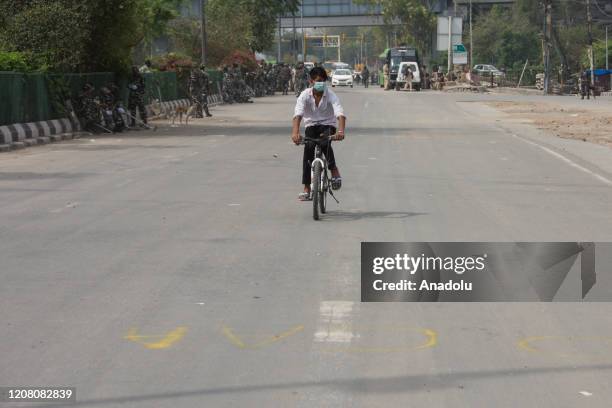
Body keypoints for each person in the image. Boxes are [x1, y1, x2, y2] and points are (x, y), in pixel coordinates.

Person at [291, 66, 346, 201]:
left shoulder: (331, 95)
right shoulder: (304, 95)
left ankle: (333, 170)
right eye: (317, 80)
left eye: (322, 81)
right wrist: (295, 133)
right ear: (311, 81)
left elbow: (340, 114)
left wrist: (340, 131)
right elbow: (298, 115)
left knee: (324, 142)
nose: (320, 83)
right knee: (308, 147)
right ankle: (306, 187)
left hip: (328, 125)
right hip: (311, 125)